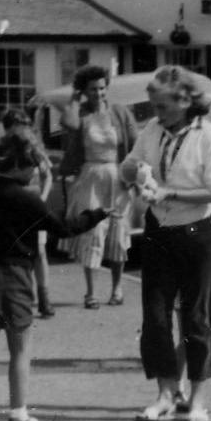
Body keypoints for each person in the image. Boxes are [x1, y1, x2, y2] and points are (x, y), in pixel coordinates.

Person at [0, 131, 105, 421]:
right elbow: (62, 228)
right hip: (14, 277)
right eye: (34, 164)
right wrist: (96, 215)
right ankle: (19, 414)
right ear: (19, 164)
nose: (37, 170)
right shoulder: (27, 198)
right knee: (20, 349)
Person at [120, 65, 211, 421]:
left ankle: (197, 399)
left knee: (196, 316)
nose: (157, 113)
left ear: (185, 101)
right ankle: (166, 393)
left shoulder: (208, 135)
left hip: (195, 233)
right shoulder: (152, 130)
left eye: (164, 106)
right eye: (153, 105)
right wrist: (134, 171)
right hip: (157, 231)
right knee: (155, 317)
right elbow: (128, 166)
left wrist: (170, 193)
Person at [61, 64, 139, 309]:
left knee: (117, 234)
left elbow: (135, 143)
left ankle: (117, 289)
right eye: (93, 89)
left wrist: (133, 174)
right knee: (92, 232)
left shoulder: (120, 113)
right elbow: (68, 123)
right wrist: (74, 100)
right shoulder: (82, 114)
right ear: (84, 91)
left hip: (117, 176)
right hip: (91, 177)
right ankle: (91, 293)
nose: (99, 93)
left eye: (102, 88)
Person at [1, 107, 55, 318]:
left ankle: (44, 298)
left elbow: (48, 175)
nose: (18, 134)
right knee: (14, 252)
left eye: (22, 129)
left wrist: (43, 199)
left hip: (32, 205)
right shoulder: (3, 150)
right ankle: (18, 298)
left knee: (39, 252)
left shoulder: (33, 149)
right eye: (13, 130)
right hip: (12, 206)